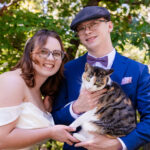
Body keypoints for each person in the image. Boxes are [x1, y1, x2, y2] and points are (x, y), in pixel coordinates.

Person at [51, 6, 150, 150]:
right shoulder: (67, 69)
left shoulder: (138, 70)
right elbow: (53, 119)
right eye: (81, 28)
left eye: (94, 24)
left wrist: (119, 144)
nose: (87, 31)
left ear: (109, 26)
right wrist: (75, 108)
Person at [0, 29, 78, 149]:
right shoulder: (13, 82)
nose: (51, 58)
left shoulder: (39, 92)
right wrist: (50, 132)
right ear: (30, 54)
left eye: (57, 53)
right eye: (43, 51)